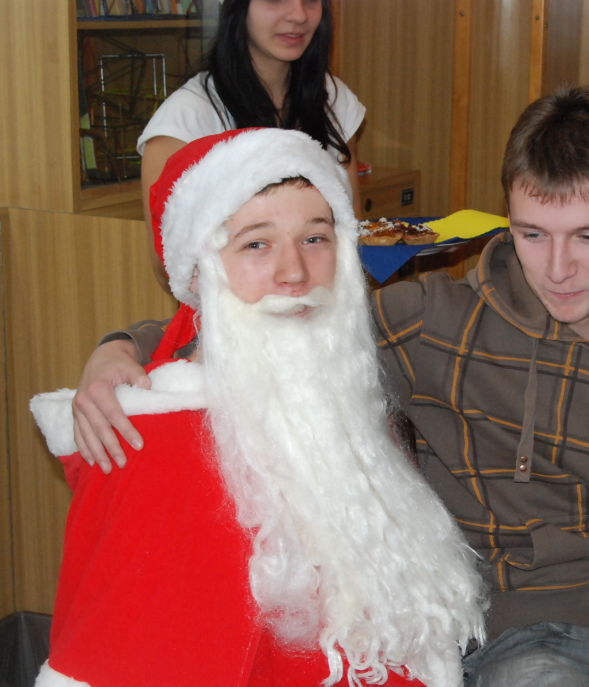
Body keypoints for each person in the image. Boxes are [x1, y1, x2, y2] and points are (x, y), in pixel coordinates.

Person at [72, 88, 589, 686]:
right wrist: (119, 348)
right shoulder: (437, 323)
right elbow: (275, 329)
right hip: (518, 636)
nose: (558, 269)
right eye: (532, 234)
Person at [31, 128, 485, 687]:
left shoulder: (348, 385)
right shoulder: (154, 440)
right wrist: (116, 347)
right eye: (256, 245)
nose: (295, 273)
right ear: (198, 272)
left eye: (315, 238)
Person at [138, 0, 365, 290]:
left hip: (326, 303)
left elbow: (352, 229)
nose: (298, 15)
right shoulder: (186, 121)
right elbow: (169, 268)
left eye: (310, 0)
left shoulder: (333, 98)